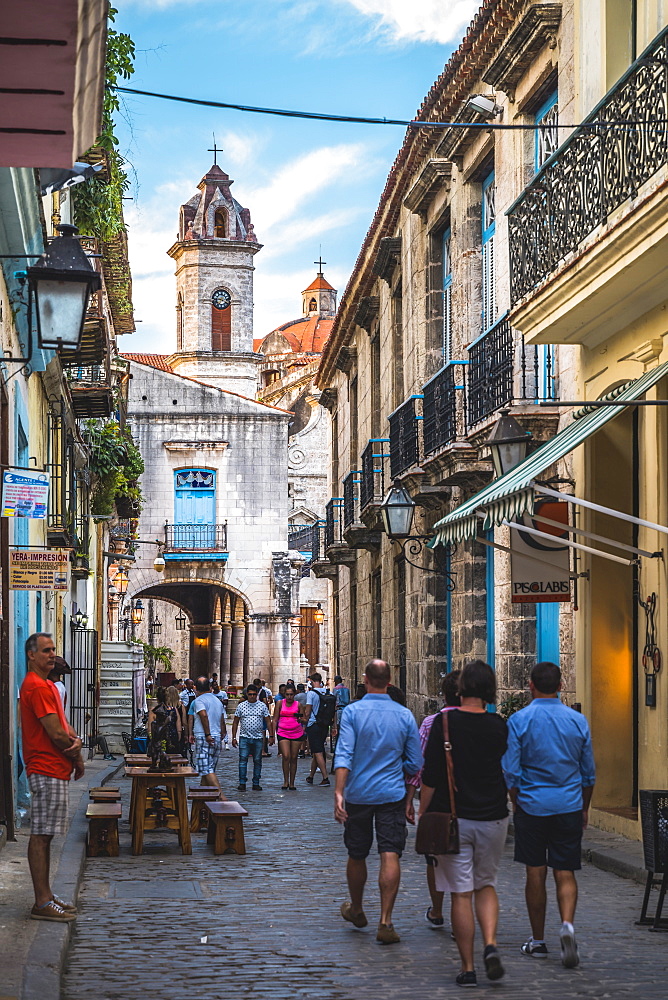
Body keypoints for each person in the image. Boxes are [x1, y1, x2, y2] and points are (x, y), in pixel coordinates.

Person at [420, 660, 508, 988]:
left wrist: (422, 810)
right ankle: (490, 944)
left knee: (460, 894)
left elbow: (430, 776)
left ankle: (468, 967)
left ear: (461, 688)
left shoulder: (444, 722)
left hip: (453, 818)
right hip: (493, 817)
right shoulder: (499, 725)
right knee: (486, 885)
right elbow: (508, 770)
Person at [502, 661, 596, 970]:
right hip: (568, 804)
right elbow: (588, 774)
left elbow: (511, 772)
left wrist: (517, 802)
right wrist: (583, 807)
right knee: (565, 871)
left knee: (535, 871)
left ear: (530, 685)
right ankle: (567, 925)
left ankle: (538, 940)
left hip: (532, 805)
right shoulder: (577, 721)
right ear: (560, 685)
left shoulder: (520, 720)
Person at [334, 659, 422, 945]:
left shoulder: (353, 712)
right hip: (392, 793)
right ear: (390, 681)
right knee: (390, 852)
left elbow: (344, 753)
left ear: (365, 680)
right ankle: (386, 920)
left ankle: (357, 907)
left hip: (359, 793)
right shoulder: (404, 715)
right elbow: (414, 762)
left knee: (357, 852)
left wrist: (339, 792)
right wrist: (409, 796)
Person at [20, 633, 84, 922]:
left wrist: (78, 750)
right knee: (42, 836)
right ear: (31, 655)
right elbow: (56, 733)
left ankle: (46, 895)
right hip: (45, 767)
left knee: (46, 836)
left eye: (53, 650)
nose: (52, 655)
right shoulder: (36, 686)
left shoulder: (47, 685)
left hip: (54, 768)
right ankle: (42, 902)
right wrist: (74, 753)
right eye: (46, 650)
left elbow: (64, 724)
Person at [406, 671, 461, 931]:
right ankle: (462, 913)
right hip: (473, 802)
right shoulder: (485, 721)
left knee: (435, 857)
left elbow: (420, 766)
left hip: (440, 800)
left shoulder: (431, 723)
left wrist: (413, 802)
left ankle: (438, 910)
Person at [232, 683, 274, 791]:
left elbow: (268, 721)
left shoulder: (262, 706)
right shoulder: (241, 706)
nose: (252, 696)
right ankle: (242, 782)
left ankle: (256, 782)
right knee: (243, 759)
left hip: (258, 737)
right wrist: (233, 737)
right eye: (250, 694)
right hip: (244, 737)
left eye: (254, 694)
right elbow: (236, 722)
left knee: (257, 760)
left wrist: (271, 735)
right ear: (247, 694)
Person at [190, 676, 227, 797]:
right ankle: (204, 797)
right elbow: (222, 718)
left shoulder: (199, 701)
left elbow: (203, 715)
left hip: (204, 737)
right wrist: (222, 733)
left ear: (196, 688)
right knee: (208, 769)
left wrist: (207, 734)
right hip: (216, 736)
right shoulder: (217, 700)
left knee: (206, 769)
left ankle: (221, 797)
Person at [274, 683, 304, 790]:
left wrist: (300, 719)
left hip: (296, 732)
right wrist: (272, 734)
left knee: (293, 757)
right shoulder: (279, 703)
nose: (289, 697)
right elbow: (275, 719)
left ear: (294, 694)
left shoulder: (298, 705)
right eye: (287, 694)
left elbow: (305, 719)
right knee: (286, 756)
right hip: (283, 732)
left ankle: (292, 782)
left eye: (291, 694)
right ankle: (285, 781)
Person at [304, 672, 331, 786]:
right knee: (317, 749)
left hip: (313, 724)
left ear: (311, 681)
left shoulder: (311, 694)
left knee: (318, 750)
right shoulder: (328, 692)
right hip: (324, 724)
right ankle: (311, 776)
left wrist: (304, 720)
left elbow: (308, 710)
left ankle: (325, 777)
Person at [164, 684, 186, 755]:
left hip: (167, 732)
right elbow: (184, 721)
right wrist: (186, 734)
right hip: (177, 733)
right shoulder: (180, 706)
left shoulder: (165, 707)